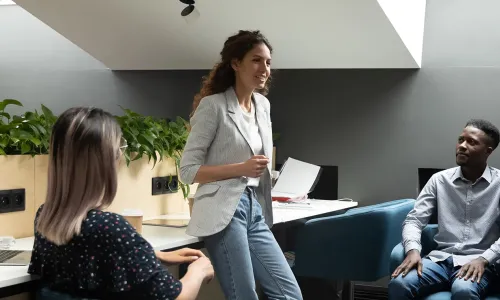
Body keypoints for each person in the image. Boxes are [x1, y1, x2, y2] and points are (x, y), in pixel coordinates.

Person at [29, 107, 214, 300]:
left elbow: (86, 256)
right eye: (118, 149)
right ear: (105, 162)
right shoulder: (111, 228)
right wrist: (198, 271)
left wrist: (154, 255)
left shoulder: (45, 219)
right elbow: (175, 298)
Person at [179, 30, 302, 300]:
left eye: (268, 62)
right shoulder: (213, 107)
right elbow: (187, 172)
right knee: (244, 295)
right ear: (236, 63)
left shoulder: (263, 105)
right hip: (223, 212)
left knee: (289, 294)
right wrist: (240, 168)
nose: (265, 69)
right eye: (257, 60)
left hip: (254, 208)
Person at [389, 119, 500, 299]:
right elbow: (414, 220)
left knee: (464, 290)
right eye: (460, 139)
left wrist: (485, 259)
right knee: (400, 283)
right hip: (440, 260)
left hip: (480, 261)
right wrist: (413, 250)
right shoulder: (439, 180)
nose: (462, 146)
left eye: (471, 142)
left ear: (488, 151)